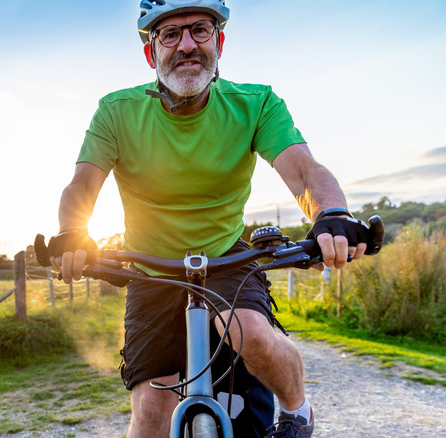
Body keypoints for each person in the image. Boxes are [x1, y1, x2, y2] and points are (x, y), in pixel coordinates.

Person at [45, 0, 373, 437]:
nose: (186, 45)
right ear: (151, 53)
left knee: (250, 333)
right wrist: (73, 234)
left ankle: (297, 410)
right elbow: (81, 186)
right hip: (149, 265)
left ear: (218, 42)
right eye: (170, 34)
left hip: (226, 255)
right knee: (150, 414)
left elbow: (304, 171)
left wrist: (331, 214)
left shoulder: (256, 103)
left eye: (199, 30)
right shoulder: (115, 111)